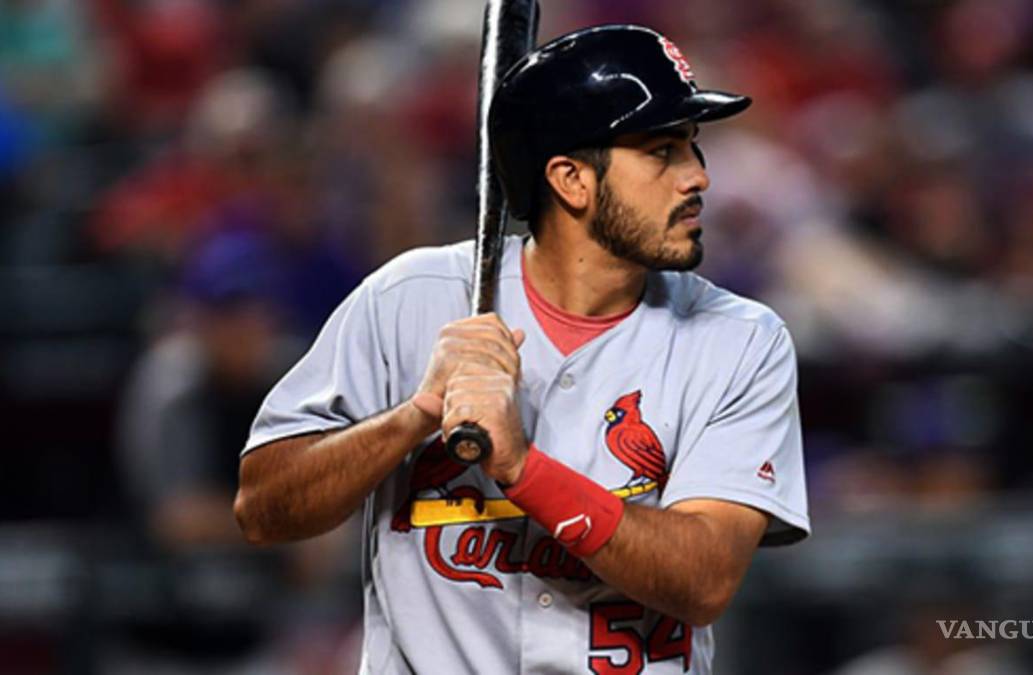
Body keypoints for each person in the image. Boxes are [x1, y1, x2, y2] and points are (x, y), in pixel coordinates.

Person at [234, 25, 809, 674]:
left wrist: (522, 468)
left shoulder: (739, 340)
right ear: (570, 179)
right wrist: (416, 414)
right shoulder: (411, 299)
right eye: (662, 152)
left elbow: (702, 579)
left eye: (692, 148)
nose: (698, 176)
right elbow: (263, 509)